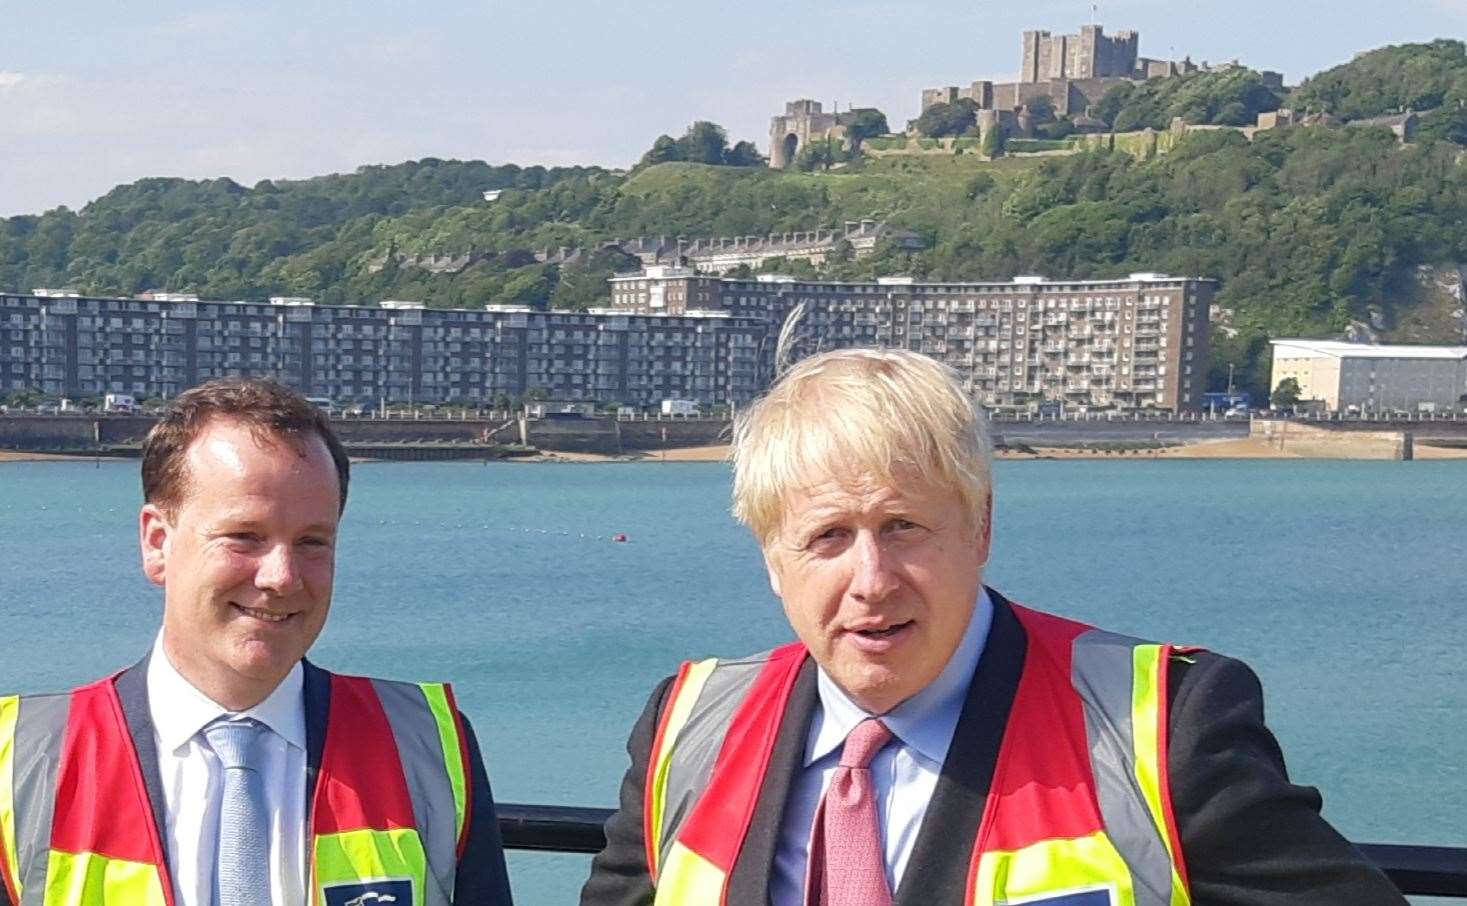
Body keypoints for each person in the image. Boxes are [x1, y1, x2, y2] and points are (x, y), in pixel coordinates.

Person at [580, 348, 1405, 906]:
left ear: (978, 529)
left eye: (904, 527)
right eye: (827, 537)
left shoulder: (1161, 726)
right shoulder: (687, 728)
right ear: (772, 559)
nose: (871, 580)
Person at [0, 379, 512, 906]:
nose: (282, 577)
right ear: (157, 542)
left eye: (312, 542)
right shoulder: (21, 763)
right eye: (244, 537)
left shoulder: (427, 743)